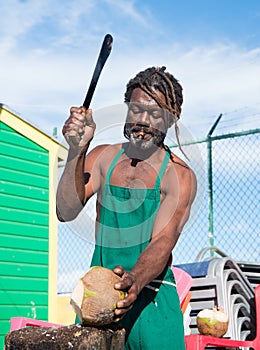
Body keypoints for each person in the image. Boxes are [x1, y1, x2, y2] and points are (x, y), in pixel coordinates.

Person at [56, 66, 197, 349]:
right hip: (99, 299)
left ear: (171, 120)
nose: (143, 121)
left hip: (152, 302)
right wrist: (76, 150)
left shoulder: (179, 175)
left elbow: (163, 242)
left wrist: (134, 280)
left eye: (155, 114)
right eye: (136, 110)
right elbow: (65, 210)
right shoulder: (103, 158)